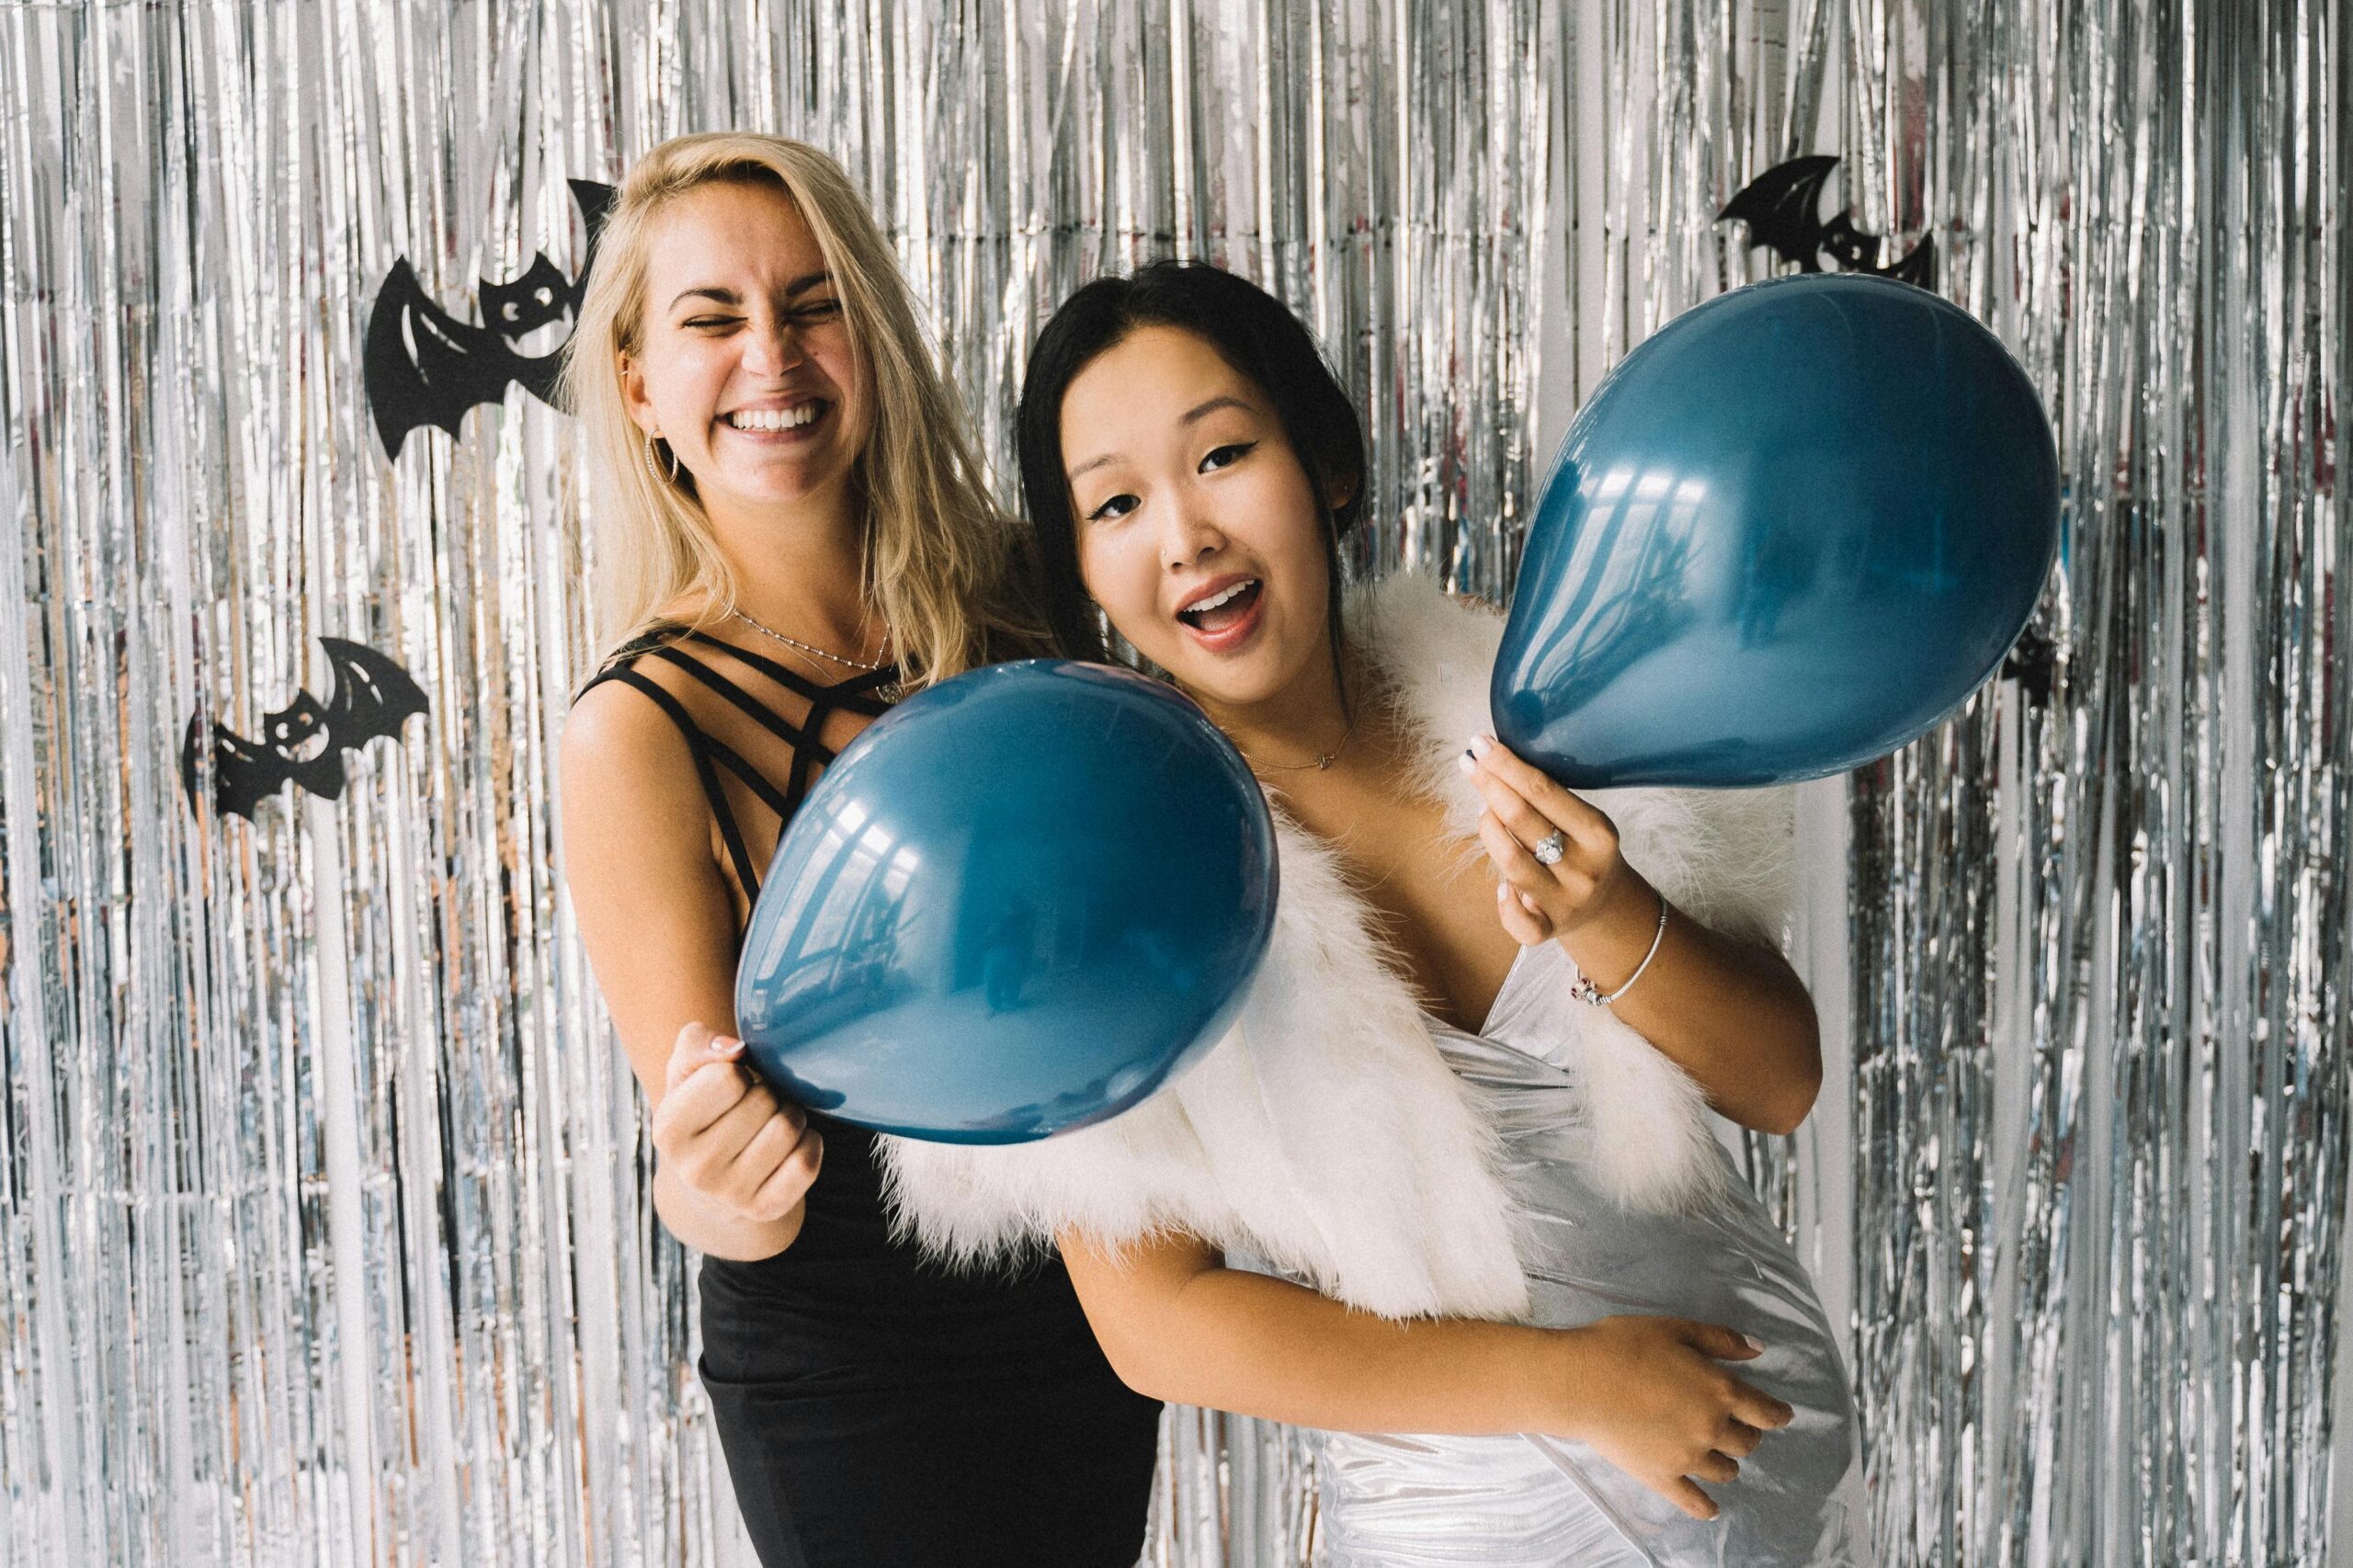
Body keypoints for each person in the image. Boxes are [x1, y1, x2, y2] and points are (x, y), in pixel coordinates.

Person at [881, 260, 1866, 1565]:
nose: (1186, 534)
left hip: (1778, 1495)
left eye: (1222, 453)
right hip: (1467, 1526)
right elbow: (1159, 1324)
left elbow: (1782, 1079)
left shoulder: (1539, 715)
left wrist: (1612, 912)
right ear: (1087, 578)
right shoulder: (1102, 877)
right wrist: (1574, 1384)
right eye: (1116, 502)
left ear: (1326, 462)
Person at [556, 133, 1161, 1568]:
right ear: (640, 384)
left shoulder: (1040, 596)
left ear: (871, 333)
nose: (773, 354)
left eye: (813, 302)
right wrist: (708, 1178)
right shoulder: (638, 731)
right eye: (712, 319)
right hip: (850, 1360)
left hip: (1096, 1296)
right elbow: (719, 1181)